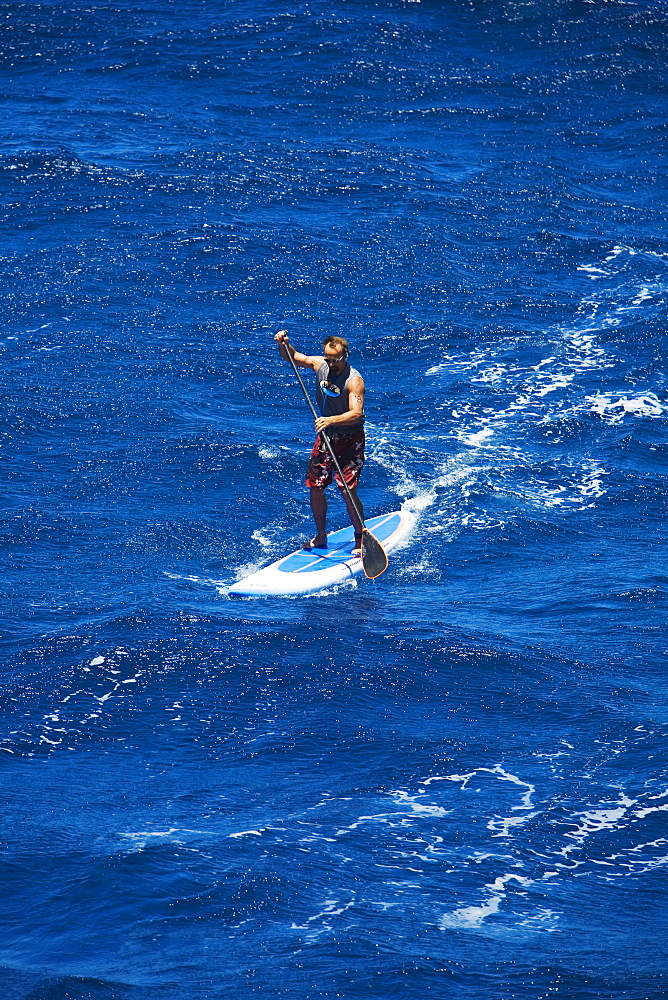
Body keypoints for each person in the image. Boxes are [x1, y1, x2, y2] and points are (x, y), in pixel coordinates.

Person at [274, 329, 366, 555]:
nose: (331, 363)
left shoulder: (354, 381)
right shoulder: (320, 365)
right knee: (315, 488)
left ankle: (361, 537)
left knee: (346, 490)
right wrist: (283, 342)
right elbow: (293, 356)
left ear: (345, 356)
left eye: (336, 359)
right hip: (326, 437)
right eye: (328, 358)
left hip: (350, 438)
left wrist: (330, 419)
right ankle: (321, 535)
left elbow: (357, 413)